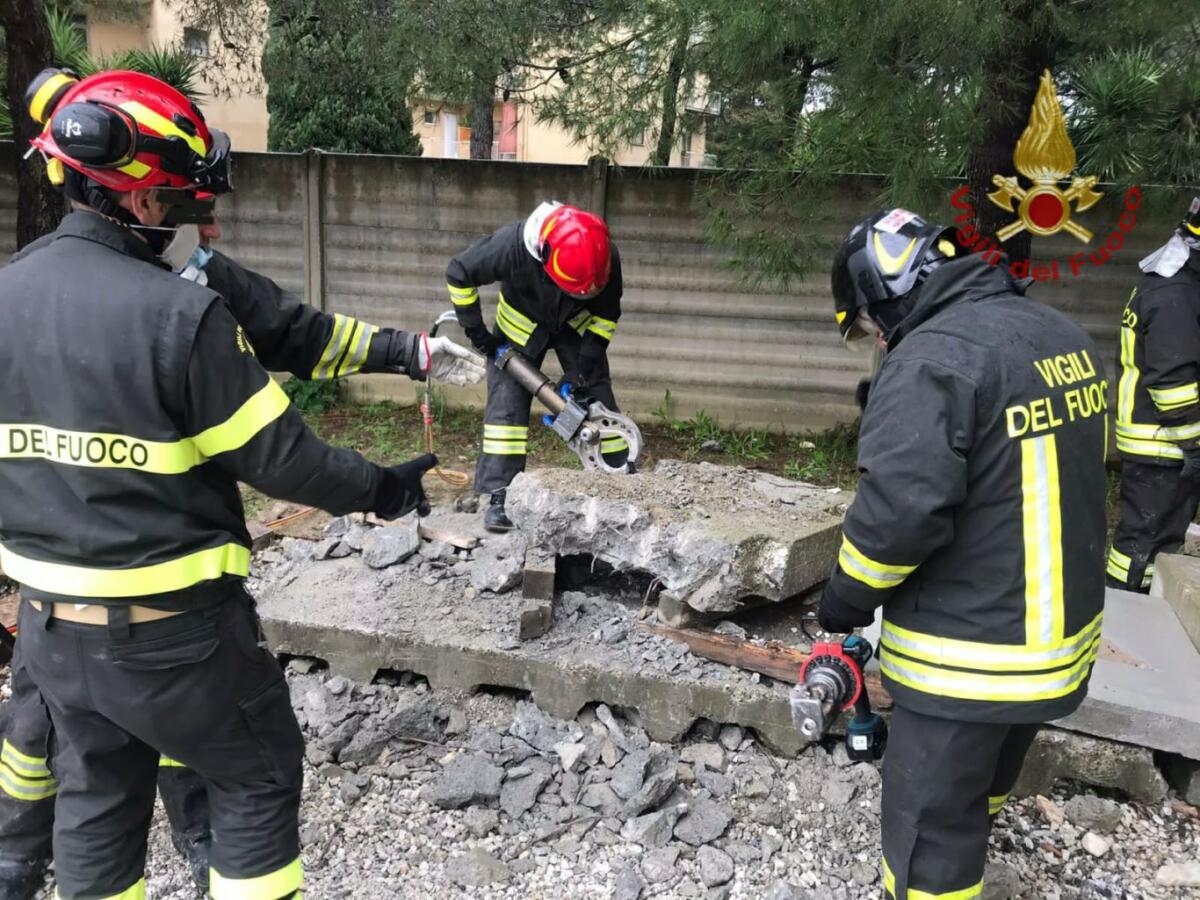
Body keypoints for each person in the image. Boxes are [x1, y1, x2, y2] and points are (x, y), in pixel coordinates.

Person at [0, 68, 446, 900]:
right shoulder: (178, 316)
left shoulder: (6, 296)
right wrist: (387, 489)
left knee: (97, 809)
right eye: (188, 201)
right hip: (179, 638)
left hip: (53, 636)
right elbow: (287, 461)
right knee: (257, 774)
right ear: (138, 202)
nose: (204, 220)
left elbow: (298, 330)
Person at [820, 209, 1107, 899]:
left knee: (929, 836)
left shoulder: (931, 360)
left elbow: (898, 516)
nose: (876, 341)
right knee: (984, 787)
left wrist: (844, 602)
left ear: (884, 298)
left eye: (868, 326)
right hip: (1057, 646)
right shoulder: (1060, 334)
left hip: (969, 664)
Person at [446, 201, 628, 531]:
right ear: (544, 258)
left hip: (575, 325)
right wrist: (477, 333)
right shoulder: (511, 246)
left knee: (595, 394)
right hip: (520, 325)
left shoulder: (603, 256)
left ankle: (619, 476)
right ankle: (501, 495)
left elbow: (606, 316)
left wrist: (583, 367)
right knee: (506, 410)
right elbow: (459, 272)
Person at [1107, 198, 1200, 592]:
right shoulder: (1175, 293)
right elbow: (1172, 383)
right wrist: (1196, 444)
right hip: (1163, 447)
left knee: (1154, 543)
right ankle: (1129, 618)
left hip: (1164, 443)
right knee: (1143, 548)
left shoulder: (1174, 282)